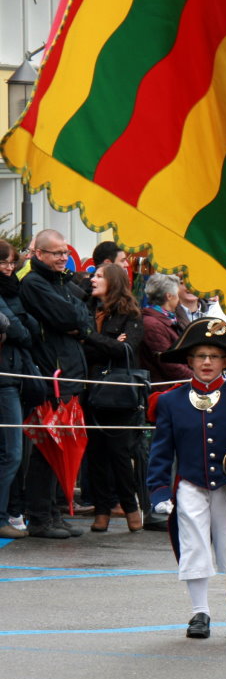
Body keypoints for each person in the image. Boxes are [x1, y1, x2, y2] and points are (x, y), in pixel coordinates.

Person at [146, 318, 226, 638]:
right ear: (189, 361)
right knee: (193, 545)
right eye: (201, 356)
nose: (207, 362)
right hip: (189, 485)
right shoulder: (170, 400)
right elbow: (160, 451)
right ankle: (200, 613)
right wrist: (158, 491)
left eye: (214, 356)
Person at [19, 229, 92, 540]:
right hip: (51, 376)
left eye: (65, 252)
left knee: (60, 446)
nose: (63, 257)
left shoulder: (61, 283)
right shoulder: (34, 283)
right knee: (45, 448)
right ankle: (39, 516)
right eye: (56, 253)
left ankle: (51, 512)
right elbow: (68, 319)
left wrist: (76, 318)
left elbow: (84, 321)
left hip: (67, 374)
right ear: (39, 254)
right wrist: (75, 318)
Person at [83, 263, 146, 532]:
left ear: (114, 282)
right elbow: (88, 352)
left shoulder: (130, 313)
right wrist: (108, 344)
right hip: (92, 389)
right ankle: (101, 511)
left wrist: (91, 339)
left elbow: (127, 349)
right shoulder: (86, 309)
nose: (92, 279)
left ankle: (130, 507)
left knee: (120, 453)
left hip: (120, 392)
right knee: (96, 453)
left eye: (99, 276)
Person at [0, 240, 38, 539]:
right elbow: (19, 330)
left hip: (15, 374)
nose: (9, 268)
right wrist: (19, 330)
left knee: (15, 451)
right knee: (12, 452)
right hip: (5, 379)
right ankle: (3, 515)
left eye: (12, 262)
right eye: (4, 262)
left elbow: (25, 329)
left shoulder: (15, 289)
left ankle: (11, 512)